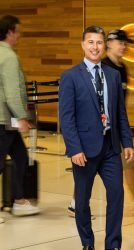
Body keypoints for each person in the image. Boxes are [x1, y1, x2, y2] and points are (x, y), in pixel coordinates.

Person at [67, 29, 134, 219]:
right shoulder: (99, 67)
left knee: (128, 164)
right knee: (88, 171)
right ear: (109, 44)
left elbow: (119, 106)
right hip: (94, 132)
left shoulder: (120, 70)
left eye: (125, 43)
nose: (124, 47)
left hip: (113, 130)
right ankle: (76, 204)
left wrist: (124, 133)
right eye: (120, 42)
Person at [59, 26, 134, 250]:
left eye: (99, 42)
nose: (95, 47)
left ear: (104, 45)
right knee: (82, 201)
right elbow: (66, 117)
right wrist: (74, 149)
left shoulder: (113, 75)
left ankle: (113, 245)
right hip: (84, 150)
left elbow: (120, 112)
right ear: (83, 45)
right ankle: (87, 243)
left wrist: (127, 142)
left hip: (110, 146)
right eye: (90, 42)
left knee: (117, 195)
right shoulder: (71, 76)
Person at [0, 15, 40, 219]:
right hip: (4, 119)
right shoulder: (8, 57)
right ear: (10, 32)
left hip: (6, 120)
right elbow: (12, 91)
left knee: (20, 157)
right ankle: (18, 200)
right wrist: (22, 117)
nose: (20, 36)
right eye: (18, 32)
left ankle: (18, 200)